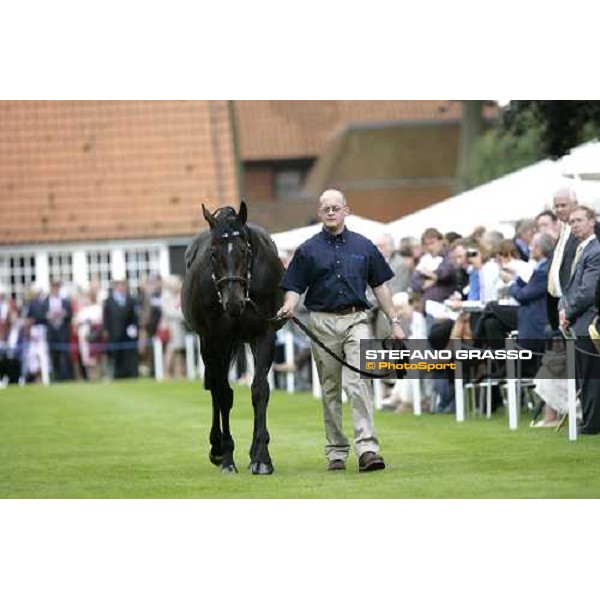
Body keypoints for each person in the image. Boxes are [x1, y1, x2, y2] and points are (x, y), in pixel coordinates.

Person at [277, 188, 404, 473]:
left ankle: (368, 449)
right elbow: (294, 288)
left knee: (358, 382)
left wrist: (394, 321)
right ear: (320, 213)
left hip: (357, 320)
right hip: (321, 323)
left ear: (346, 210)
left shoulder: (365, 246)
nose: (331, 212)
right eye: (326, 208)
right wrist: (288, 307)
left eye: (336, 207)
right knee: (331, 388)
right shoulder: (308, 249)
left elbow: (381, 286)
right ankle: (336, 450)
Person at [558, 206, 600, 435]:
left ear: (592, 222)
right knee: (584, 375)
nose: (574, 225)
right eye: (572, 222)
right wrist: (563, 310)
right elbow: (568, 287)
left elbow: (587, 291)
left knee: (591, 375)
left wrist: (568, 312)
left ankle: (593, 423)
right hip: (576, 319)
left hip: (588, 320)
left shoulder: (595, 250)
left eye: (579, 220)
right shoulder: (580, 250)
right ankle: (589, 419)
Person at [103, 280, 139, 379]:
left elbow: (134, 317)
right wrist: (106, 330)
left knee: (129, 355)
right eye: (120, 285)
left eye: (124, 285)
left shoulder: (131, 300)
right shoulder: (109, 301)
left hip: (128, 334)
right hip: (114, 333)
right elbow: (106, 318)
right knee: (116, 355)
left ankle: (130, 374)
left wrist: (134, 329)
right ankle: (117, 374)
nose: (122, 287)